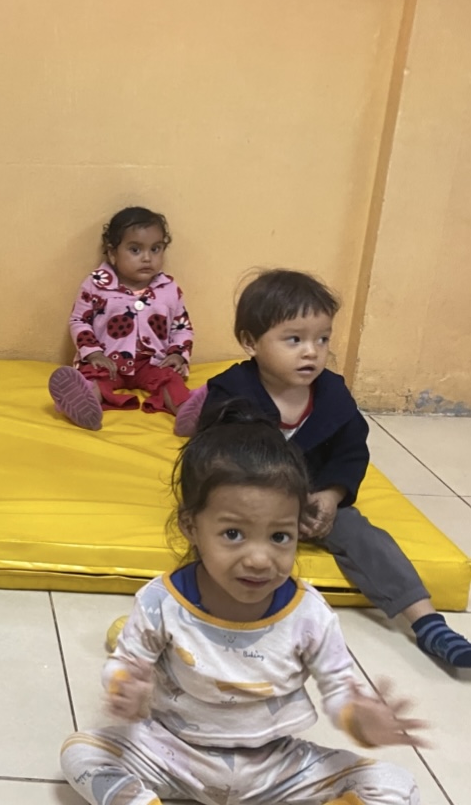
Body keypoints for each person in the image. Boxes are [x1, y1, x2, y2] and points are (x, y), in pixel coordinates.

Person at [61, 405, 425, 805]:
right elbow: (126, 663)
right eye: (233, 533)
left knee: (394, 782)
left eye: (280, 537)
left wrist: (359, 718)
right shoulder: (161, 601)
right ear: (191, 526)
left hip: (276, 764)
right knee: (81, 753)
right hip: (172, 751)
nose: (259, 559)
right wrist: (124, 686)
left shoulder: (309, 614)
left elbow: (338, 688)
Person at [191, 269, 471, 669]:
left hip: (311, 501)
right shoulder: (232, 392)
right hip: (246, 503)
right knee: (220, 537)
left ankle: (427, 622)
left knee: (364, 536)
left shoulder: (333, 394)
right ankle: (213, 617)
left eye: (322, 339)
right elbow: (212, 457)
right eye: (294, 340)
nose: (311, 352)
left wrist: (331, 494)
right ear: (251, 342)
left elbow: (351, 453)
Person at [49, 206, 194, 431]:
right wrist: (93, 353)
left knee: (170, 379)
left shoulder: (169, 288)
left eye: (155, 249)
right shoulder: (96, 285)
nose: (147, 258)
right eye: (135, 250)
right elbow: (79, 320)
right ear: (112, 253)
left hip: (153, 362)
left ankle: (188, 412)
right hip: (108, 360)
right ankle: (84, 403)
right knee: (93, 376)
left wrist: (177, 354)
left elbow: (182, 327)